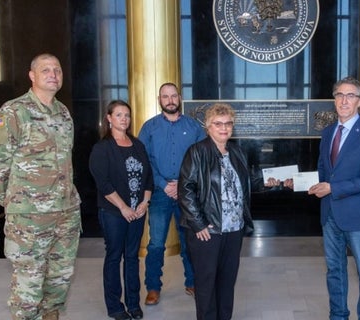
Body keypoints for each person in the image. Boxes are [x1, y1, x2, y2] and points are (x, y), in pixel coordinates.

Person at [0, 53, 81, 320]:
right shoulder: (14, 111)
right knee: (29, 288)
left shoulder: (63, 113)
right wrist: (17, 203)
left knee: (59, 282)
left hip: (66, 213)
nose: (53, 74)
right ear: (32, 75)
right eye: (45, 69)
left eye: (57, 70)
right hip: (28, 220)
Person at [309, 77, 360, 320]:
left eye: (350, 95)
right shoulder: (328, 132)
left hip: (359, 216)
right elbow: (323, 170)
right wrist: (302, 183)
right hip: (329, 213)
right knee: (334, 270)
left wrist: (332, 187)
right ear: (334, 100)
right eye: (339, 95)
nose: (344, 100)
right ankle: (338, 315)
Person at [178, 103, 254, 320]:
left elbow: (246, 182)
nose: (224, 128)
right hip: (208, 231)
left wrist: (275, 181)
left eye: (228, 123)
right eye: (218, 124)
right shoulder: (197, 151)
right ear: (208, 126)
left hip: (233, 229)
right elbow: (186, 189)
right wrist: (198, 223)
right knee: (206, 285)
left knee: (227, 283)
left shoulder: (237, 152)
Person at [137, 82, 206, 305]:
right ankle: (153, 288)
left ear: (180, 98)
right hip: (159, 193)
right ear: (159, 100)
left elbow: (200, 160)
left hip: (187, 193)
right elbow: (143, 161)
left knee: (189, 242)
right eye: (165, 96)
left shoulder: (194, 127)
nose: (170, 100)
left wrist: (181, 184)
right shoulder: (149, 128)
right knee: (156, 243)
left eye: (173, 96)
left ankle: (192, 282)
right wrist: (162, 183)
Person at [89, 100, 153, 320]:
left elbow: (148, 177)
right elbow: (103, 184)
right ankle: (115, 307)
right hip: (114, 213)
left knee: (133, 257)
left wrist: (145, 202)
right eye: (118, 115)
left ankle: (133, 304)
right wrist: (124, 207)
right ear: (109, 118)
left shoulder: (137, 145)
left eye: (127, 115)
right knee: (115, 257)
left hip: (137, 213)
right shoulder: (102, 148)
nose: (124, 119)